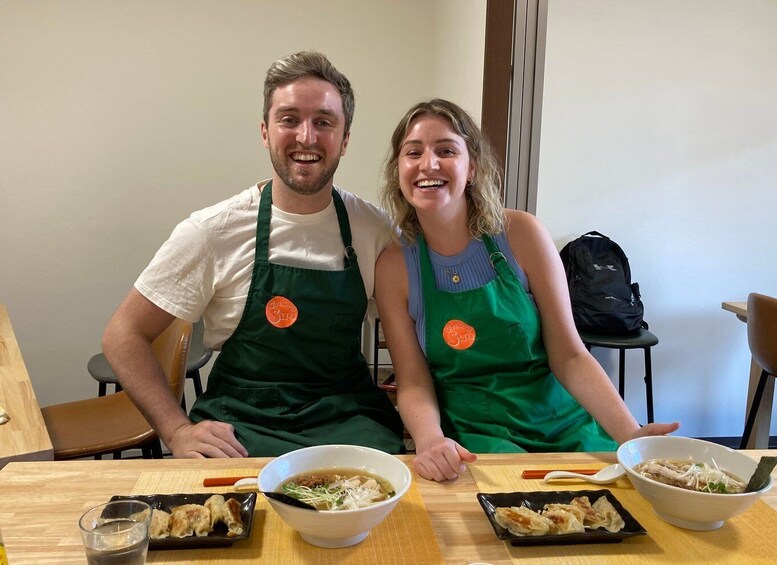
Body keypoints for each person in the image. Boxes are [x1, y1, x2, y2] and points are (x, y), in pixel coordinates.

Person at [102, 51, 404, 458]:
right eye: (289, 119)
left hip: (347, 419)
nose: (306, 137)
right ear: (265, 131)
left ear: (345, 139)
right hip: (243, 425)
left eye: (324, 122)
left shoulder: (375, 230)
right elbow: (123, 335)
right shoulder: (212, 232)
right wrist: (175, 429)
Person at [375, 99, 679, 481]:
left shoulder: (522, 235)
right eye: (413, 152)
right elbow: (414, 380)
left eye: (447, 150)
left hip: (562, 424)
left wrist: (630, 436)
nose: (428, 164)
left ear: (472, 169)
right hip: (477, 436)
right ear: (399, 171)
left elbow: (569, 355)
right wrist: (431, 439)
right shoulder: (394, 266)